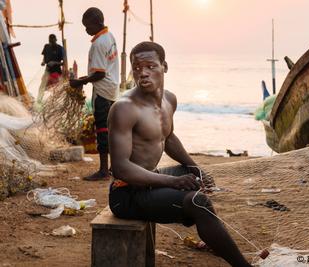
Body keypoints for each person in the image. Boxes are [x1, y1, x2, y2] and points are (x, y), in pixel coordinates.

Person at [108, 41, 251, 267]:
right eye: (136, 67)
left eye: (150, 66)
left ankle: (214, 237)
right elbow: (120, 168)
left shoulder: (169, 100)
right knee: (198, 201)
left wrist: (195, 168)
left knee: (192, 175)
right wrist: (173, 181)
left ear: (164, 66)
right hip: (127, 194)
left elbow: (168, 138)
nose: (142, 73)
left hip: (150, 180)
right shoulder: (125, 108)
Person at [70, 7, 119, 181]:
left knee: (102, 129)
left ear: (97, 23)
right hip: (113, 89)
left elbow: (99, 74)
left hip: (103, 91)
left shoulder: (98, 44)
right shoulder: (109, 36)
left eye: (87, 26)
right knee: (112, 130)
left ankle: (104, 171)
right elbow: (102, 69)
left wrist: (79, 82)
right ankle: (114, 168)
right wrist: (86, 77)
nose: (86, 30)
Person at [37, 34, 64, 103]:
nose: (51, 43)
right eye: (50, 41)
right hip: (48, 70)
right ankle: (39, 101)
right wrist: (43, 62)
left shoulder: (60, 48)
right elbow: (44, 57)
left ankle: (56, 102)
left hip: (57, 72)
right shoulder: (46, 46)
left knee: (57, 88)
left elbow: (64, 63)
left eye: (52, 41)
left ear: (56, 40)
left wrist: (54, 63)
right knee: (42, 87)